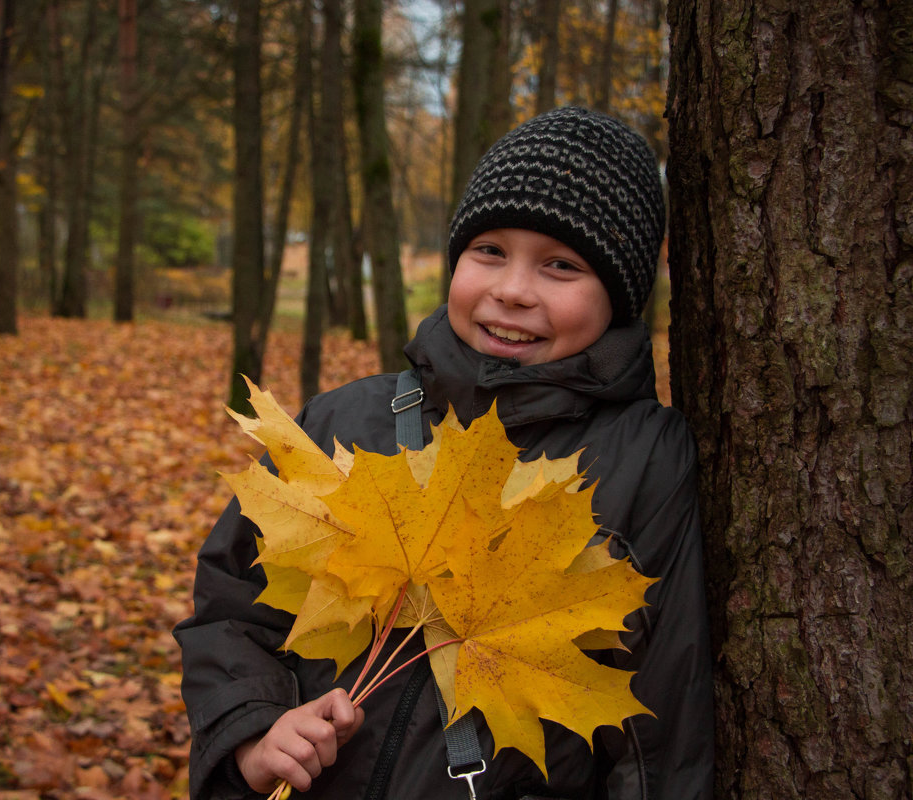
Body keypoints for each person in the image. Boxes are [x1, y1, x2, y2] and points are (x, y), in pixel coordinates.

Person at [174, 106, 715, 800]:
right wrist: (252, 731)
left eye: (561, 265)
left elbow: (662, 718)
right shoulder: (345, 421)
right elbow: (233, 607)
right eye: (489, 251)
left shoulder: (644, 457)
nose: (512, 290)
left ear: (620, 294)